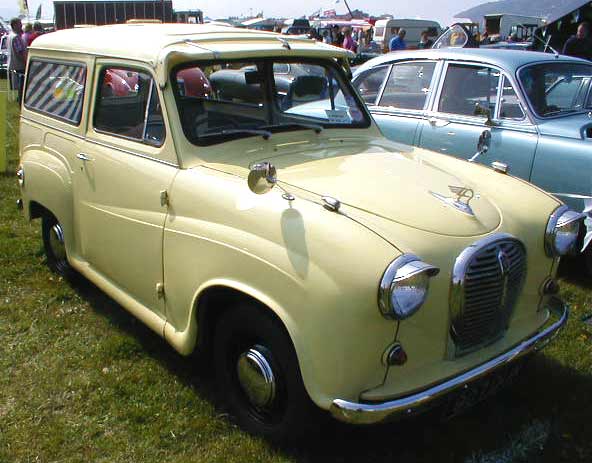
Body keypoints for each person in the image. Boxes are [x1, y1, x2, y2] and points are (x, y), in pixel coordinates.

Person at [7, 17, 26, 103]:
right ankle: (21, 100)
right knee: (22, 84)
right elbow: (20, 52)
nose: (21, 25)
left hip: (13, 63)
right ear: (14, 25)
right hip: (19, 64)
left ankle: (20, 99)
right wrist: (26, 62)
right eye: (19, 23)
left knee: (19, 84)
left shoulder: (9, 36)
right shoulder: (16, 37)